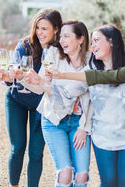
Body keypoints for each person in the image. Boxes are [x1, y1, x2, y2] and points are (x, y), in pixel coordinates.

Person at [46, 24, 125, 187]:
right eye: (92, 41)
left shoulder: (113, 71)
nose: (93, 45)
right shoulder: (91, 68)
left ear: (111, 42)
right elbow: (67, 93)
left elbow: (110, 76)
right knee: (109, 182)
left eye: (97, 40)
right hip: (103, 138)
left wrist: (61, 74)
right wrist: (38, 82)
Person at [0, 8, 63, 187]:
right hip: (16, 100)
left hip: (41, 104)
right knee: (17, 147)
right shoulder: (24, 44)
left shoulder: (59, 52)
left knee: (36, 152)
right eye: (37, 28)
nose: (39, 32)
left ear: (56, 29)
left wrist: (21, 77)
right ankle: (14, 185)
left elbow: (44, 86)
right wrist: (9, 76)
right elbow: (13, 71)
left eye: (45, 28)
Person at [25, 20, 92, 187]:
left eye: (67, 36)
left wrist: (84, 127)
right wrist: (21, 77)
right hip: (54, 120)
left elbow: (82, 95)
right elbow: (39, 88)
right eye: (60, 36)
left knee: (82, 176)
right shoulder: (54, 53)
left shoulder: (91, 60)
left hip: (79, 123)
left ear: (81, 39)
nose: (61, 40)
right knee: (65, 173)